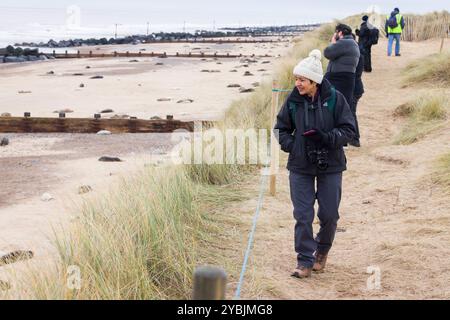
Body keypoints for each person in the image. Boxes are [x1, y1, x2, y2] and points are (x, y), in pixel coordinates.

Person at [274, 49, 356, 278]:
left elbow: (349, 130)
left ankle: (321, 251)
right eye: (296, 79)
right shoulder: (292, 100)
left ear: (314, 82)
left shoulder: (336, 99)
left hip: (331, 163)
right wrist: (293, 145)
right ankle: (304, 260)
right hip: (300, 165)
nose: (297, 83)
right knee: (303, 215)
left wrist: (326, 138)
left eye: (301, 80)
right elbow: (280, 129)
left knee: (329, 215)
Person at [324, 24, 360, 109]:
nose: (334, 35)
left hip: (338, 79)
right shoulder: (352, 43)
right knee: (343, 107)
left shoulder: (344, 42)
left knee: (334, 106)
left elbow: (327, 53)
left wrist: (333, 43)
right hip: (346, 79)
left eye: (335, 33)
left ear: (340, 33)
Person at [350, 33, 365, 147]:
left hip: (354, 89)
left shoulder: (356, 55)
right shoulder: (358, 53)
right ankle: (353, 138)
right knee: (350, 112)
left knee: (351, 113)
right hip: (356, 87)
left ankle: (355, 139)